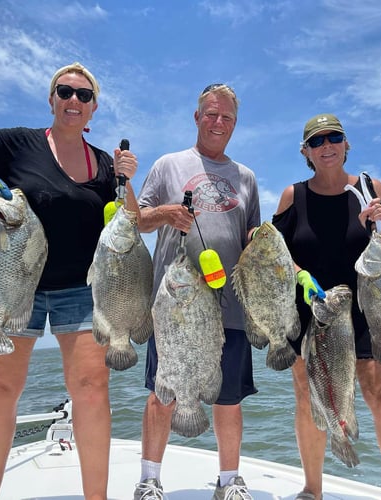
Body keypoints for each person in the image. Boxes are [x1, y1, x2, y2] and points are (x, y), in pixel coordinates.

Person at [0, 62, 140, 500]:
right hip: (11, 283)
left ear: (94, 108)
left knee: (90, 388)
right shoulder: (18, 143)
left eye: (84, 96)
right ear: (51, 99)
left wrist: (126, 179)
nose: (73, 101)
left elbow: (129, 220)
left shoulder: (104, 163)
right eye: (65, 92)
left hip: (82, 289)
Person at [272, 113, 381, 500]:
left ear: (346, 143)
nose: (327, 146)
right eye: (317, 141)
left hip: (368, 310)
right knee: (309, 398)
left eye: (334, 137)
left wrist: (377, 226)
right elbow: (274, 255)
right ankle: (312, 490)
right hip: (312, 312)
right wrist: (300, 275)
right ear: (306, 151)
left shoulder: (372, 188)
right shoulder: (293, 196)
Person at [133, 83, 260, 500]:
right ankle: (149, 480)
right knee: (163, 390)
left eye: (226, 117)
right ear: (197, 117)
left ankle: (229, 482)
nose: (217, 122)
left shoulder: (246, 177)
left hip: (230, 306)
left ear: (235, 124)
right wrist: (165, 212)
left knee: (228, 397)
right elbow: (136, 220)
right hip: (175, 306)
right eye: (211, 114)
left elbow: (250, 235)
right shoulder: (170, 164)